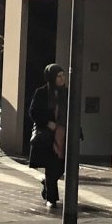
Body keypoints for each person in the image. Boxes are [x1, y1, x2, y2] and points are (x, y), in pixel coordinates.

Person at [27, 64, 69, 211]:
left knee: (62, 167)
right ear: (52, 78)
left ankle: (47, 183)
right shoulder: (42, 92)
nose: (62, 79)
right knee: (51, 166)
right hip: (48, 135)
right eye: (59, 76)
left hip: (63, 134)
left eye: (63, 75)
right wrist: (47, 122)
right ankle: (52, 199)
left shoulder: (67, 93)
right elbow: (33, 112)